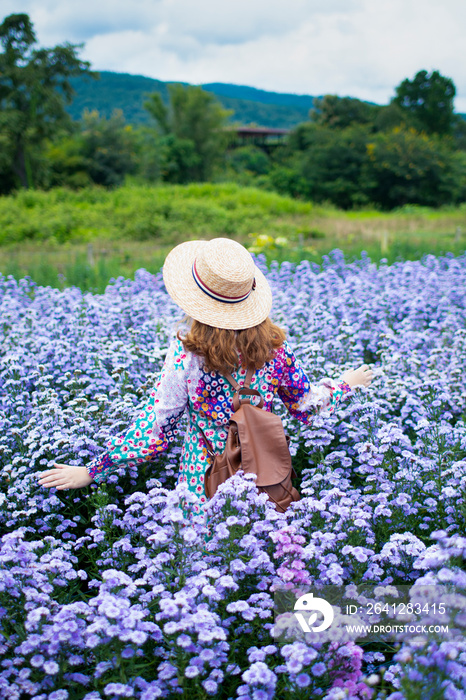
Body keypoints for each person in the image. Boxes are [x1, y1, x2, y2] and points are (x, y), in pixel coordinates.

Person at [37, 238, 373, 515]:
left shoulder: (188, 357)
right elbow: (303, 404)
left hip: (204, 481)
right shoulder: (273, 349)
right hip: (265, 476)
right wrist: (345, 384)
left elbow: (156, 431)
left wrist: (93, 469)